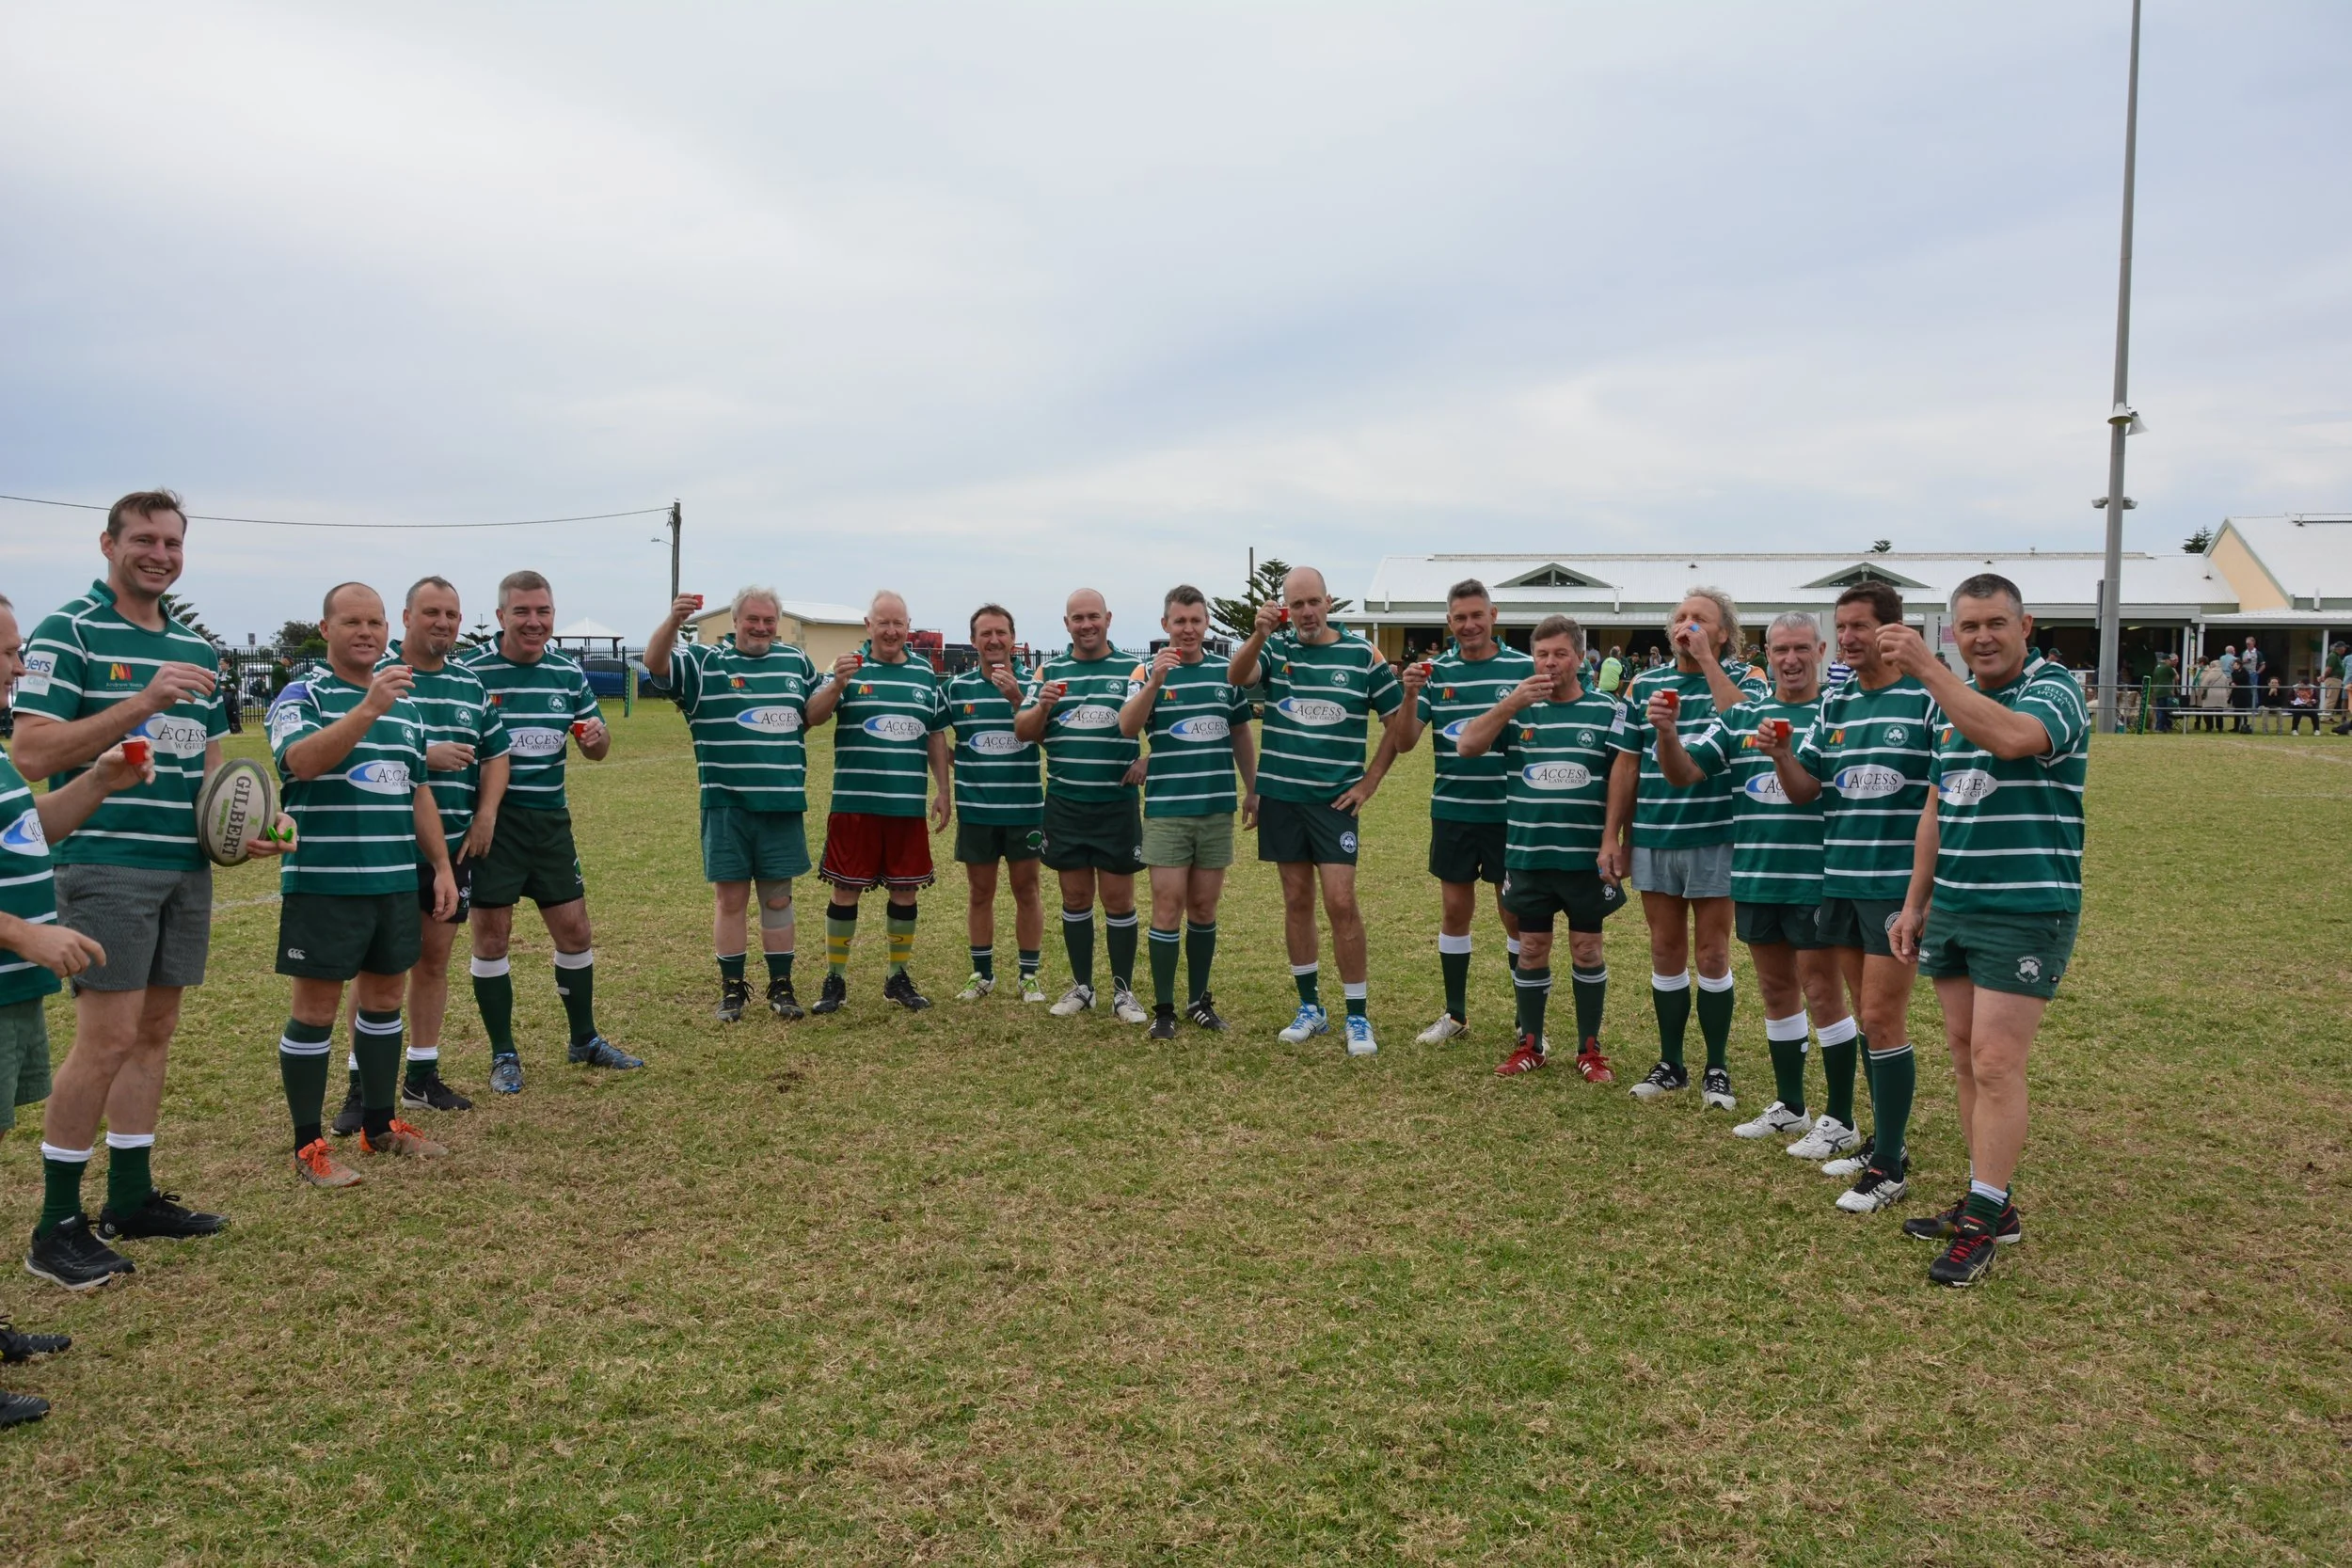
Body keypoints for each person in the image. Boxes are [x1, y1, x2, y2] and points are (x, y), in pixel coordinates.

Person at [14, 492, 293, 1290]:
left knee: (156, 1031)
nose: (160, 553)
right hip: (103, 862)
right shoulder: (67, 629)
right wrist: (138, 701)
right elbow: (32, 751)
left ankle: (130, 1196)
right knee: (105, 1038)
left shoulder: (194, 649)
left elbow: (208, 770)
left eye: (172, 542)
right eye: (144, 538)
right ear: (108, 543)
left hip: (182, 868)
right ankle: (54, 1225)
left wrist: (244, 829)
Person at [1879, 574, 2090, 1285]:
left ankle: (1982, 1218)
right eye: (1968, 626)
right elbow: (1937, 809)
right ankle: (1990, 1201)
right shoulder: (1949, 706)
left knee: (1998, 1062)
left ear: (2026, 625)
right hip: (1959, 902)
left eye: (1996, 623)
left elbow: (2011, 740)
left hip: (2027, 903)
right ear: (1954, 631)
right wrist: (1916, 902)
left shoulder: (2052, 688)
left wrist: (1931, 671)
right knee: (1968, 1055)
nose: (1983, 637)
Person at [0, 594, 151, 1416]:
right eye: (7, 654)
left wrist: (98, 777)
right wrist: (24, 933)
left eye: (20, 651)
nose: (21, 668)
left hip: (10, 992)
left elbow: (33, 830)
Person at [266, 584, 459, 1187]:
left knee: (383, 1001)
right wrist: (367, 708)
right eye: (352, 621)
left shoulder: (407, 705)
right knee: (317, 1010)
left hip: (393, 880)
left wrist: (443, 866)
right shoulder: (302, 695)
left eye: (375, 622)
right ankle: (309, 1145)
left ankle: (381, 1126)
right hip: (324, 883)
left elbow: (417, 789)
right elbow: (299, 762)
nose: (366, 631)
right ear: (325, 629)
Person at [1765, 582, 1937, 1215]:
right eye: (1843, 627)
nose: (1850, 637)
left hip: (1893, 888)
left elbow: (1939, 797)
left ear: (1894, 630)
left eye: (1861, 625)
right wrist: (1784, 754)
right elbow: (1807, 789)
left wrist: (1922, 891)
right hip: (1838, 880)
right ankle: (1881, 1143)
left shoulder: (1925, 700)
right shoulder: (1835, 705)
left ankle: (1890, 1165)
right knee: (1868, 1017)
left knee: (1885, 1017)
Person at [1652, 610, 1857, 1142]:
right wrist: (1667, 735)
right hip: (1757, 874)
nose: (1791, 660)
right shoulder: (1744, 716)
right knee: (1774, 988)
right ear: (1765, 655)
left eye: (1801, 649)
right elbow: (1683, 774)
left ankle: (1840, 1118)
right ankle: (1791, 1104)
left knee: (1822, 991)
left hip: (1816, 877)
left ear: (1820, 651)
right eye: (1780, 650)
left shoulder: (1838, 713)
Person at [330, 577, 509, 1134]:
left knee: (433, 962)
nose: (444, 623)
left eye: (452, 614)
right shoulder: (375, 679)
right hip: (381, 845)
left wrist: (485, 815)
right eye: (431, 612)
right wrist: (423, 754)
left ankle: (421, 1074)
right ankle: (363, 1083)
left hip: (452, 847)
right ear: (404, 617)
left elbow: (496, 753)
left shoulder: (470, 684)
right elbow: (356, 744)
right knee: (375, 969)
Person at [462, 571, 641, 1088]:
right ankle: (503, 1054)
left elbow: (597, 747)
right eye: (522, 612)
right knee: (492, 938)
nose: (534, 622)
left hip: (549, 824)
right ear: (500, 617)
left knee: (575, 930)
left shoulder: (567, 674)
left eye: (543, 612)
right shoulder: (473, 675)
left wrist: (597, 740)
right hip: (491, 825)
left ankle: (583, 1039)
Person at [1229, 568, 1405, 1055]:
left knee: (1341, 902)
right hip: (1282, 796)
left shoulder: (1361, 655)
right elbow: (1237, 676)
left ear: (1328, 602)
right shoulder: (1276, 648)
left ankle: (1357, 1015)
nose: (1306, 613)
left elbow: (1398, 726)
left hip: (1334, 801)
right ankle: (1311, 1008)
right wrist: (1259, 631)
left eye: (1313, 602)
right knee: (1297, 899)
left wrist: (1369, 782)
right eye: (1296, 605)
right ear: (1285, 607)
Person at [1603, 589, 1768, 1108]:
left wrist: (1706, 662)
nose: (1688, 624)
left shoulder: (1744, 680)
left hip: (1717, 832)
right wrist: (1614, 836)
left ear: (1724, 634)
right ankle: (1670, 1062)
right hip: (1654, 835)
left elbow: (1743, 725)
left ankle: (1716, 1067)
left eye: (1701, 619)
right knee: (1665, 949)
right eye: (1681, 617)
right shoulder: (1645, 684)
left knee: (1714, 953)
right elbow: (1626, 764)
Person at [1383, 580, 1558, 1057]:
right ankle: (1455, 1014)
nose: (1469, 625)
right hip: (1454, 811)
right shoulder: (1433, 674)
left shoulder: (1524, 668)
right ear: (1449, 622)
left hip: (1510, 815)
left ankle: (1529, 1021)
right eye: (1459, 618)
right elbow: (1402, 743)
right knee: (1455, 912)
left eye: (1476, 615)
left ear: (1494, 615)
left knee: (1514, 917)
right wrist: (1410, 696)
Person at [1454, 616, 1629, 1078]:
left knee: (1587, 950)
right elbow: (1467, 746)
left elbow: (1623, 783)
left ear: (1580, 657)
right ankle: (1530, 1045)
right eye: (1542, 654)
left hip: (1584, 857)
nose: (1550, 663)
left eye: (1560, 654)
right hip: (1530, 854)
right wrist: (1511, 702)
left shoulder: (1606, 710)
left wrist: (1616, 840)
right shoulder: (1518, 709)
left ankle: (1589, 1051)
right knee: (1531, 947)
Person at [644, 586, 818, 1023]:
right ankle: (732, 989)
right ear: (735, 622)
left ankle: (782, 986)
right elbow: (654, 663)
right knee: (730, 901)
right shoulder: (704, 663)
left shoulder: (796, 662)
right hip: (725, 804)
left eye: (769, 621)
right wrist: (672, 620)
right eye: (752, 620)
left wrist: (842, 682)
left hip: (780, 804)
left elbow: (816, 709)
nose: (761, 627)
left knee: (778, 900)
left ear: (778, 624)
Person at [804, 591, 952, 1013]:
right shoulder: (847, 666)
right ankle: (835, 979)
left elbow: (936, 735)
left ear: (909, 627)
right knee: (845, 888)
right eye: (882, 623)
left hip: (906, 805)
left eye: (898, 624)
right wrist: (836, 684)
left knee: (906, 892)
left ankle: (896, 977)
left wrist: (943, 790)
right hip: (855, 803)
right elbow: (812, 717)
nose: (891, 631)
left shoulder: (925, 674)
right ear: (868, 626)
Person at [1120, 585, 1257, 1038]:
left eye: (1196, 621)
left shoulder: (1226, 673)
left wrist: (1252, 789)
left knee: (1203, 907)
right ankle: (1163, 1009)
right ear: (1164, 626)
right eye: (1179, 621)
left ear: (1206, 624)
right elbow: (1127, 726)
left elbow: (1239, 734)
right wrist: (1156, 681)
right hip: (1166, 810)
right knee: (1167, 907)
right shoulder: (1147, 671)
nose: (1188, 629)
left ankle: (1199, 1000)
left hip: (1215, 808)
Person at [1019, 589, 1148, 1022]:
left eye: (1093, 616)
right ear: (1066, 623)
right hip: (1065, 803)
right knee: (1075, 897)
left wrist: (1151, 759)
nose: (1086, 624)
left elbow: (1165, 723)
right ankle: (1083, 986)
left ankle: (1122, 991)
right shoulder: (1048, 670)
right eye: (1078, 618)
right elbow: (1023, 729)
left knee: (1118, 899)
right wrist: (1043, 706)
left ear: (1108, 618)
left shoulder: (1131, 667)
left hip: (1115, 804)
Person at [942, 605, 1048, 1005]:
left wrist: (1017, 698)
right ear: (974, 641)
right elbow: (935, 735)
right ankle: (982, 973)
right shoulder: (957, 688)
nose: (994, 640)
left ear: (1013, 639)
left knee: (1027, 889)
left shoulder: (1033, 685)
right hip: (977, 810)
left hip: (1024, 809)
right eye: (985, 634)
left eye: (1001, 633)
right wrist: (959, 761)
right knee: (979, 891)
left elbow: (1045, 736)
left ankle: (1029, 975)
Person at [2196, 657, 2231, 732]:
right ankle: (2220, 728)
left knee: (2208, 711)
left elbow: (2204, 685)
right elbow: (2227, 686)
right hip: (2221, 695)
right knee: (2219, 712)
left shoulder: (2210, 674)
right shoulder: (2223, 675)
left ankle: (2209, 727)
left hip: (2211, 695)